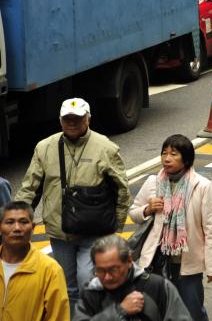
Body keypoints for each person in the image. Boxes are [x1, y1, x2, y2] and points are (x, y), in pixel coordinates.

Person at [15, 98, 130, 313]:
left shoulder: (106, 148)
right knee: (66, 287)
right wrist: (17, 219)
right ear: (60, 121)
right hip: (59, 232)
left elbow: (122, 189)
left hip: (94, 232)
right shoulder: (44, 148)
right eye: (67, 119)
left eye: (77, 119)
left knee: (88, 281)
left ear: (88, 119)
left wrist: (117, 227)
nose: (72, 123)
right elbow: (29, 188)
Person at [128, 134, 212, 320]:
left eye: (173, 154)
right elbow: (134, 213)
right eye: (164, 153)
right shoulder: (153, 182)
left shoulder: (202, 187)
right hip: (156, 259)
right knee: (159, 311)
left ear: (186, 159)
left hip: (187, 262)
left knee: (191, 310)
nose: (167, 158)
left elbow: (211, 228)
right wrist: (148, 209)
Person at [74, 234, 191, 321]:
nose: (107, 277)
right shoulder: (91, 292)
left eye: (113, 270)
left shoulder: (158, 287)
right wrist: (119, 312)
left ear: (129, 261)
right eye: (100, 271)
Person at [0, 201, 69, 321]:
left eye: (23, 222)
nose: (17, 228)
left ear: (32, 228)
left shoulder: (50, 270)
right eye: (10, 222)